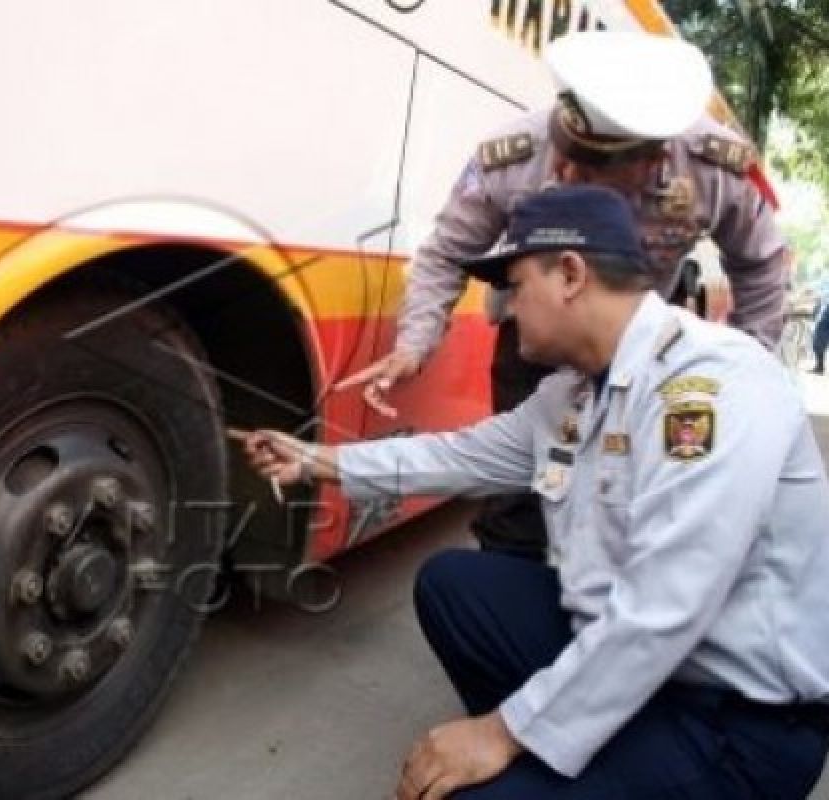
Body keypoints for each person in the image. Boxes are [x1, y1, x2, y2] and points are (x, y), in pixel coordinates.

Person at [238, 185, 829, 799]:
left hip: (738, 726)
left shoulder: (710, 387)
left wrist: (500, 732)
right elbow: (451, 456)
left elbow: (664, 607)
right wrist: (314, 460)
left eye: (514, 287)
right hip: (653, 672)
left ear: (570, 274)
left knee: (466, 792)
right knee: (454, 585)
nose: (503, 310)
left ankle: (552, 759)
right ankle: (565, 755)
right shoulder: (571, 395)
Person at [336, 31, 790, 563]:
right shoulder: (517, 155)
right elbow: (444, 253)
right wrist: (415, 343)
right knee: (517, 500)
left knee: (633, 489)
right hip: (536, 341)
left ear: (654, 159)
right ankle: (508, 608)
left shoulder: (711, 167)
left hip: (641, 350)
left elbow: (761, 262)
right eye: (565, 152)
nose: (563, 173)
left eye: (592, 170)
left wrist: (747, 371)